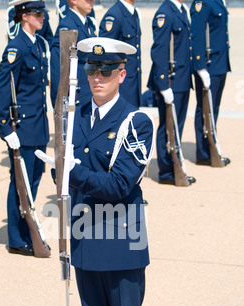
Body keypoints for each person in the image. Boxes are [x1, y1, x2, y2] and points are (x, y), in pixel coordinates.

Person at [46, 37, 155, 306]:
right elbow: (70, 179)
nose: (97, 78)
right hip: (85, 236)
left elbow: (120, 182)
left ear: (122, 75)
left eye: (106, 71)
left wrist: (71, 170)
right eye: (92, 71)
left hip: (121, 238)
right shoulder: (75, 118)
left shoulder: (136, 122)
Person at [0, 0, 50, 256]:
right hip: (24, 128)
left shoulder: (37, 43)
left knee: (34, 181)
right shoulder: (16, 47)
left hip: (38, 126)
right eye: (38, 14)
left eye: (43, 13)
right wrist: (5, 129)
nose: (43, 18)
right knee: (20, 183)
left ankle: (26, 228)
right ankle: (16, 238)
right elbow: (1, 87)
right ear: (24, 16)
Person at [147, 0, 196, 185]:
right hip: (171, 80)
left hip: (182, 79)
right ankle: (167, 172)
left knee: (177, 127)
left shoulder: (181, 10)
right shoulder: (165, 13)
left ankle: (176, 165)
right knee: (167, 127)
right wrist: (162, 84)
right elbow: (159, 50)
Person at [190, 0, 231, 166]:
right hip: (209, 66)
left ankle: (212, 145)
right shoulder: (203, 3)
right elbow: (197, 34)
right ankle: (203, 152)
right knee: (205, 109)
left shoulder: (219, 1)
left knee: (214, 109)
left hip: (220, 65)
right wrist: (200, 67)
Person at [50, 0, 96, 109]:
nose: (92, 1)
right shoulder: (68, 26)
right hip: (76, 102)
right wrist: (61, 108)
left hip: (89, 97)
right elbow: (59, 71)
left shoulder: (88, 24)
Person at [99, 0, 142, 108]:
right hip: (121, 86)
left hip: (133, 83)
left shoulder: (133, 13)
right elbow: (105, 54)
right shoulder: (114, 14)